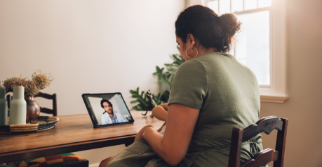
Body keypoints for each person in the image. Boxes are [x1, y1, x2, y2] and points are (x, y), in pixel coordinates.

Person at [100, 5, 264, 167]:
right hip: (250, 162)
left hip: (213, 161)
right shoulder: (248, 72)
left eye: (179, 44)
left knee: (108, 163)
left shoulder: (194, 68)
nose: (180, 51)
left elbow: (172, 154)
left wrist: (146, 131)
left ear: (191, 41)